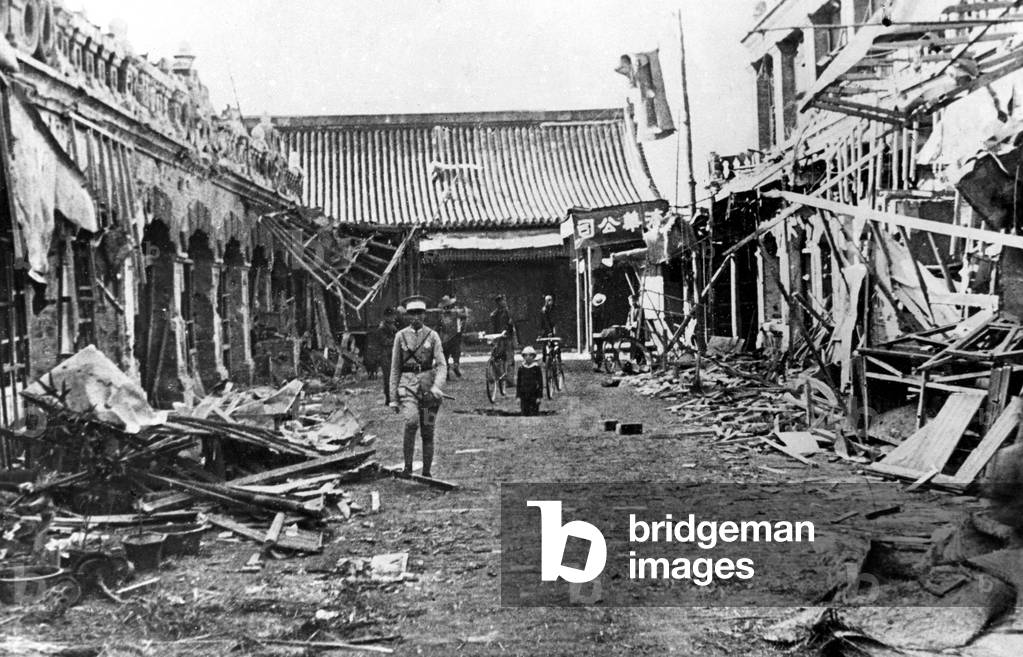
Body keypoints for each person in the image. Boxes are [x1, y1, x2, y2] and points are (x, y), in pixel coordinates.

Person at [389, 296, 447, 478]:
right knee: (411, 421)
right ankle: (407, 467)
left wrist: (437, 386)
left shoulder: (433, 336)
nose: (416, 317)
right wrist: (393, 398)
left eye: (419, 313)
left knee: (428, 430)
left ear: (425, 315)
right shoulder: (400, 336)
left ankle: (427, 472)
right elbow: (395, 368)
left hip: (429, 391)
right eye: (412, 314)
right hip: (407, 388)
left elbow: (442, 364)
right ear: (407, 316)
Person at [372, 308, 400, 404]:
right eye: (392, 316)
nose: (394, 318)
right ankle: (389, 399)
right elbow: (385, 341)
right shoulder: (382, 328)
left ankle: (395, 397)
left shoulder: (391, 326)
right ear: (386, 317)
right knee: (388, 378)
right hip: (385, 356)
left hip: (392, 354)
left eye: (394, 316)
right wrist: (396, 340)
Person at [438, 295, 468, 378]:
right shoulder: (455, 312)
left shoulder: (442, 315)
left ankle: (447, 372)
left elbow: (439, 326)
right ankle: (455, 366)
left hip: (445, 338)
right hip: (454, 337)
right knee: (456, 353)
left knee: (445, 355)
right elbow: (464, 316)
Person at [516, 346, 543, 416]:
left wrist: (539, 397)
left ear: (533, 356)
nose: (528, 357)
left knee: (533, 414)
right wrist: (518, 396)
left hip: (533, 395)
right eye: (525, 355)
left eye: (530, 355)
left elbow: (540, 383)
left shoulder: (536, 368)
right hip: (524, 395)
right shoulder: (521, 368)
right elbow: (518, 383)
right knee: (524, 413)